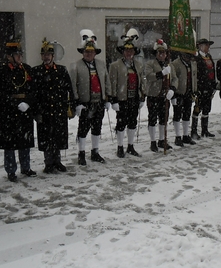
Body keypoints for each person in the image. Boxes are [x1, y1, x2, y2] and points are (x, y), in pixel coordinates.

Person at [0, 40, 37, 182]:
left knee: (25, 140)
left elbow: (34, 89)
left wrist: (28, 102)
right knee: (10, 143)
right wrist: (13, 103)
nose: (19, 57)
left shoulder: (27, 69)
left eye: (20, 54)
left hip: (24, 109)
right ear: (9, 57)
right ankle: (11, 170)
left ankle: (26, 167)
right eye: (16, 55)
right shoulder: (0, 71)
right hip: (9, 110)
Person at [31, 39, 74, 173]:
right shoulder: (36, 71)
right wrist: (36, 111)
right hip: (44, 110)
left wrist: (70, 106)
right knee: (46, 137)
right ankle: (48, 162)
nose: (46, 57)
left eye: (48, 55)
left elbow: (69, 90)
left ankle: (58, 161)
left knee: (57, 136)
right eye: (44, 55)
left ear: (53, 56)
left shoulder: (61, 70)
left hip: (58, 109)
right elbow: (33, 93)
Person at [68, 30, 110, 165]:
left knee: (97, 127)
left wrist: (107, 98)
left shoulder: (101, 64)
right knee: (83, 129)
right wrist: (76, 103)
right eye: (86, 51)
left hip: (99, 101)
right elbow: (72, 86)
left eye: (91, 52)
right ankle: (81, 153)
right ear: (82, 52)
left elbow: (106, 81)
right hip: (85, 103)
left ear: (95, 52)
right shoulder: (75, 66)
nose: (89, 54)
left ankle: (95, 152)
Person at [109, 31, 146, 158]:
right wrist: (113, 100)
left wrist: (142, 96)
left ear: (134, 52)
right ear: (123, 52)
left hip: (134, 98)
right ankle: (120, 147)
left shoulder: (139, 65)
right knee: (121, 123)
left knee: (132, 122)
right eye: (126, 50)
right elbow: (112, 83)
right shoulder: (115, 66)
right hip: (122, 99)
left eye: (131, 50)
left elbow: (142, 81)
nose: (129, 53)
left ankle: (130, 146)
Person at [144, 39, 176, 152]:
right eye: (159, 52)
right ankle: (153, 141)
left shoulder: (170, 65)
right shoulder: (150, 64)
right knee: (152, 119)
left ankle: (162, 140)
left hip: (165, 96)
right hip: (153, 95)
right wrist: (161, 73)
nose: (162, 54)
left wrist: (172, 89)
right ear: (156, 54)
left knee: (164, 119)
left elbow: (175, 79)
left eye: (163, 52)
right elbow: (149, 76)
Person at [171, 50, 198, 146]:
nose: (188, 58)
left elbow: (194, 77)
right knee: (177, 115)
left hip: (189, 92)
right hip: (179, 93)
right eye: (186, 56)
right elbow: (173, 78)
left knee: (187, 114)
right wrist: (174, 93)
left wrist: (195, 89)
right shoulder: (175, 64)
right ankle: (177, 136)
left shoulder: (192, 63)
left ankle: (185, 135)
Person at [193, 38, 217, 138]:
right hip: (201, 87)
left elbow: (212, 70)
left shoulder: (209, 57)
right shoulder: (197, 58)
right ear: (200, 46)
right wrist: (197, 88)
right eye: (206, 45)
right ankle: (193, 131)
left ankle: (205, 130)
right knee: (198, 109)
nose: (208, 47)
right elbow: (196, 74)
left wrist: (214, 84)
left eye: (208, 46)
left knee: (207, 109)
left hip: (209, 87)